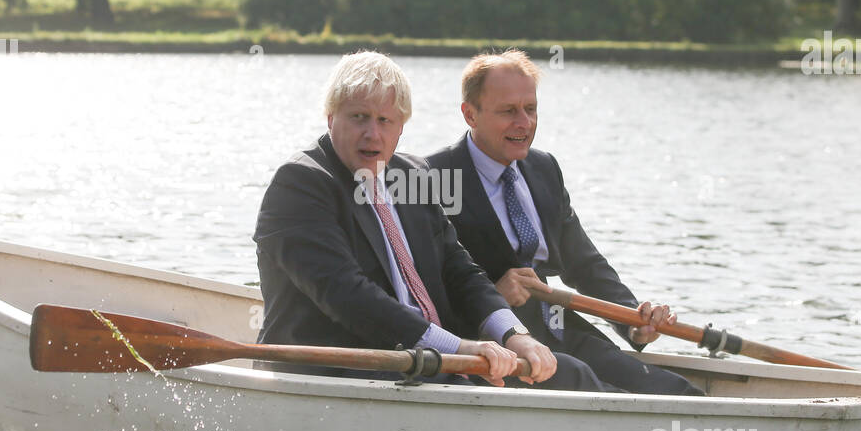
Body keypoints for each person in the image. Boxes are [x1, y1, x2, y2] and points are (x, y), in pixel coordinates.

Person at [253, 50, 613, 391]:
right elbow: (347, 295)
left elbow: (460, 271)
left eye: (384, 120)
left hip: (434, 361)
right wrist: (459, 348)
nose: (372, 134)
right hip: (348, 371)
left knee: (571, 375)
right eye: (358, 117)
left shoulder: (412, 175)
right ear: (331, 118)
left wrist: (513, 334)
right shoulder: (302, 183)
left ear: (401, 127)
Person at [426, 50, 704, 397]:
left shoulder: (544, 168)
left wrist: (634, 322)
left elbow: (584, 265)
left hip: (561, 328)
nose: (524, 123)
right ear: (470, 114)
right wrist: (494, 296)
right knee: (607, 397)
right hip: (497, 349)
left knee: (677, 392)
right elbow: (423, 288)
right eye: (508, 111)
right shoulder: (432, 177)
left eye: (530, 109)